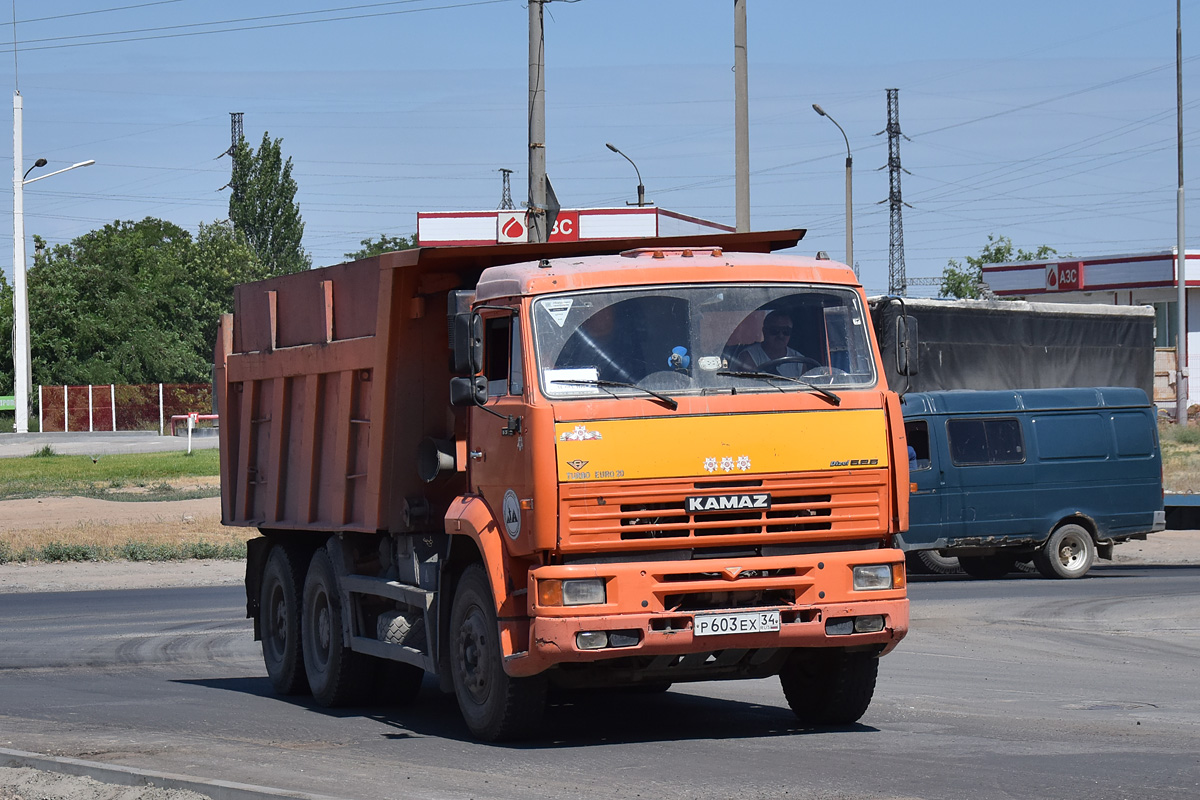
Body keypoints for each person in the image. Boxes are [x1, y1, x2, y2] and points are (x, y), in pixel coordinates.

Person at [733, 310, 812, 377]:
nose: (780, 335)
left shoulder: (799, 361)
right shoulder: (749, 357)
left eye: (786, 331)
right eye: (775, 330)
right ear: (764, 331)